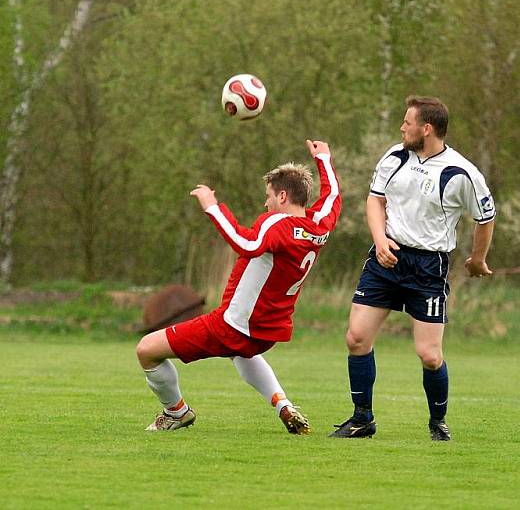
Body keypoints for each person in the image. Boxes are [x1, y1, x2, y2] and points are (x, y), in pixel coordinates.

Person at [136, 140, 341, 433]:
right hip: (268, 331)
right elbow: (333, 194)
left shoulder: (278, 224)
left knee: (146, 350)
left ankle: (175, 413)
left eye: (268, 196)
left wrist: (212, 207)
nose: (265, 203)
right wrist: (324, 159)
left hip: (232, 325)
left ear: (283, 196)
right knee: (242, 352)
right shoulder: (319, 224)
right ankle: (283, 405)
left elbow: (247, 243)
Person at [329, 96, 496, 441]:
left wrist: (478, 259)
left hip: (428, 267)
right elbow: (375, 199)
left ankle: (438, 423)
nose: (402, 128)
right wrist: (379, 239)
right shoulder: (394, 156)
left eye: (407, 122)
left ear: (427, 129)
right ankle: (362, 419)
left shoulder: (462, 173)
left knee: (429, 355)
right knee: (356, 338)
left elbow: (485, 218)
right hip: (385, 259)